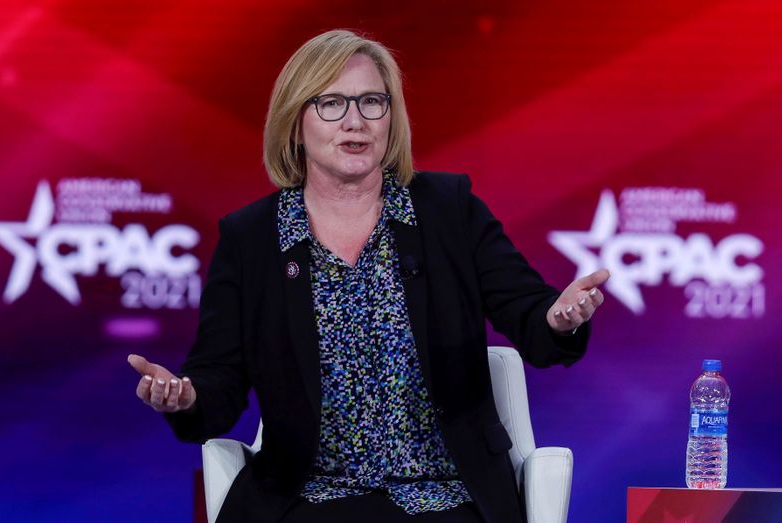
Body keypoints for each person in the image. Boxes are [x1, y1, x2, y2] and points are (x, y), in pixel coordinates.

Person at [128, 29, 609, 523]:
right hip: (308, 495)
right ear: (295, 125)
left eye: (371, 102)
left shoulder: (448, 211)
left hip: (443, 493)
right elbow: (220, 379)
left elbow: (528, 313)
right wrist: (185, 397)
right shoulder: (251, 239)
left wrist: (558, 317)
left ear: (390, 118)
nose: (355, 121)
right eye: (331, 103)